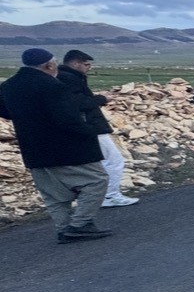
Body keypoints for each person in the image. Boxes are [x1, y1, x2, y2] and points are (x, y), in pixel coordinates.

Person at [0, 48, 112, 242]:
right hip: (66, 147)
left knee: (54, 194)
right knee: (97, 180)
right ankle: (80, 224)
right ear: (50, 65)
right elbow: (67, 119)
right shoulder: (53, 86)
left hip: (32, 147)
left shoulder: (9, 85)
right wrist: (90, 132)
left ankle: (64, 229)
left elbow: (5, 111)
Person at [57, 50, 138, 207]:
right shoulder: (69, 79)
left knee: (97, 163)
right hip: (89, 127)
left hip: (84, 126)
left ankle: (95, 196)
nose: (89, 67)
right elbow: (78, 103)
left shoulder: (66, 77)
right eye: (86, 64)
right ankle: (110, 195)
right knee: (114, 160)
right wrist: (102, 99)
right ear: (75, 63)